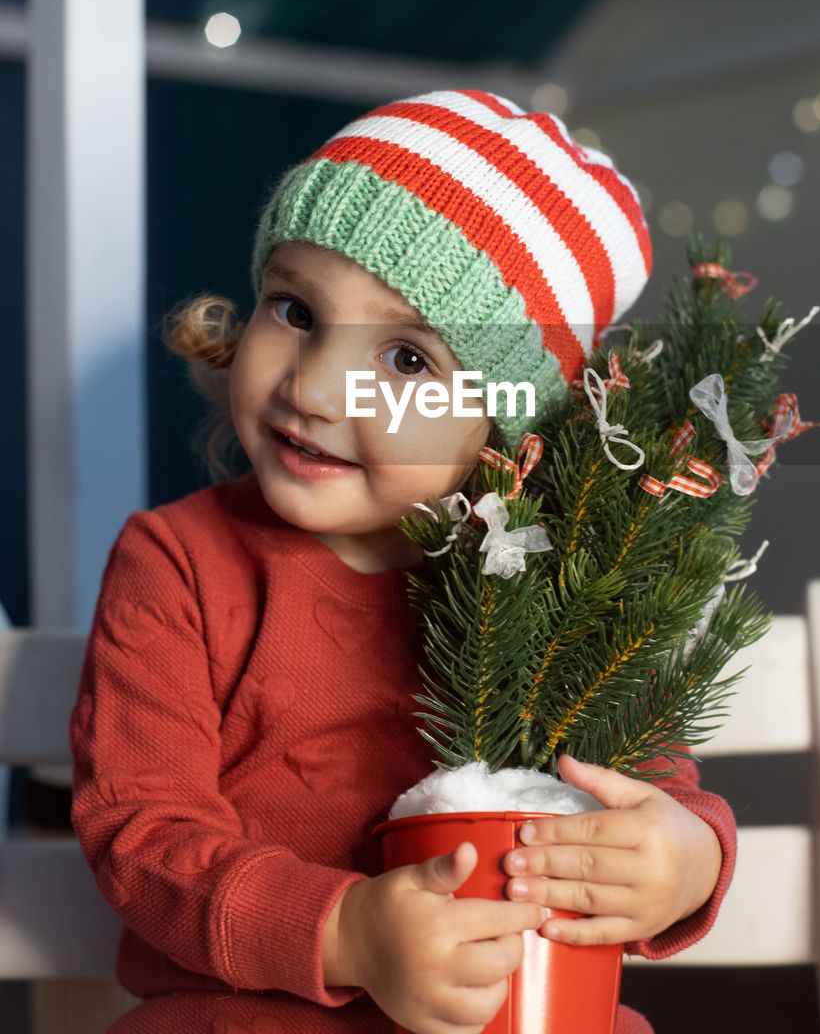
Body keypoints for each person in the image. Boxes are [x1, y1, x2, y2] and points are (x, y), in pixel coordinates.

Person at [71, 89, 735, 1034]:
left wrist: (684, 860)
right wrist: (345, 932)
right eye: (294, 309)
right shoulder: (179, 562)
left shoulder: (552, 589)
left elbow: (648, 780)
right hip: (249, 1014)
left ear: (508, 426)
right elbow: (140, 834)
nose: (313, 385)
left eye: (408, 362)